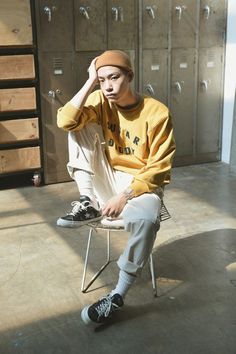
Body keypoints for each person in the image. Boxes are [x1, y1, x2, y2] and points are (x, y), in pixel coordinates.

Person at [57, 50, 176, 325]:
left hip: (141, 184)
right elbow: (64, 120)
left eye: (114, 77)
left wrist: (125, 195)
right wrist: (89, 83)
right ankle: (87, 202)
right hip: (107, 177)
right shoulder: (100, 99)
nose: (108, 86)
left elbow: (160, 168)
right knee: (77, 125)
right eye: (102, 80)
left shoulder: (157, 112)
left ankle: (117, 296)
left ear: (129, 76)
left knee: (147, 219)